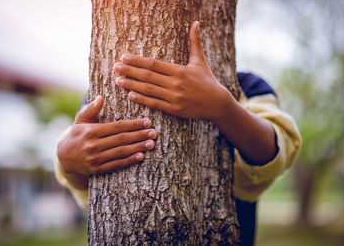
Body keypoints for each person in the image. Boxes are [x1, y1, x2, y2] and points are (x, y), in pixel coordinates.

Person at [55, 22, 301, 245]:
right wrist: (68, 162)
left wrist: (224, 108)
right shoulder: (104, 90)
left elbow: (276, 151)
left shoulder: (246, 88)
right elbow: (91, 185)